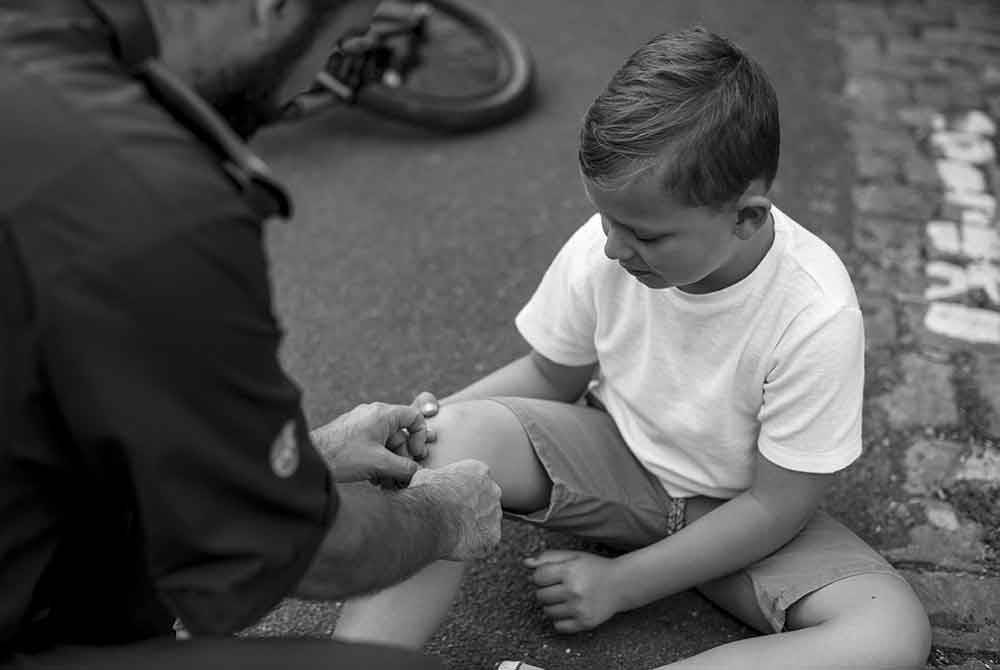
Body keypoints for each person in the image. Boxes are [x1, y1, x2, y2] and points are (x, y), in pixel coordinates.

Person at [332, 27, 933, 669]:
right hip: (613, 461)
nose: (615, 247)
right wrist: (425, 427)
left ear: (747, 218)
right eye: (607, 219)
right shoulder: (612, 246)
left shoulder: (815, 314)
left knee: (889, 633)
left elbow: (776, 507)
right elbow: (550, 375)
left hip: (737, 516)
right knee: (443, 446)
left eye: (645, 235)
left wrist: (622, 583)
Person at [0, 0, 502, 668]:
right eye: (342, 41)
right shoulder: (151, 203)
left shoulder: (34, 40)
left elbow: (62, 406)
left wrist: (309, 460)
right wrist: (447, 514)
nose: (312, 87)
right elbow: (320, 556)